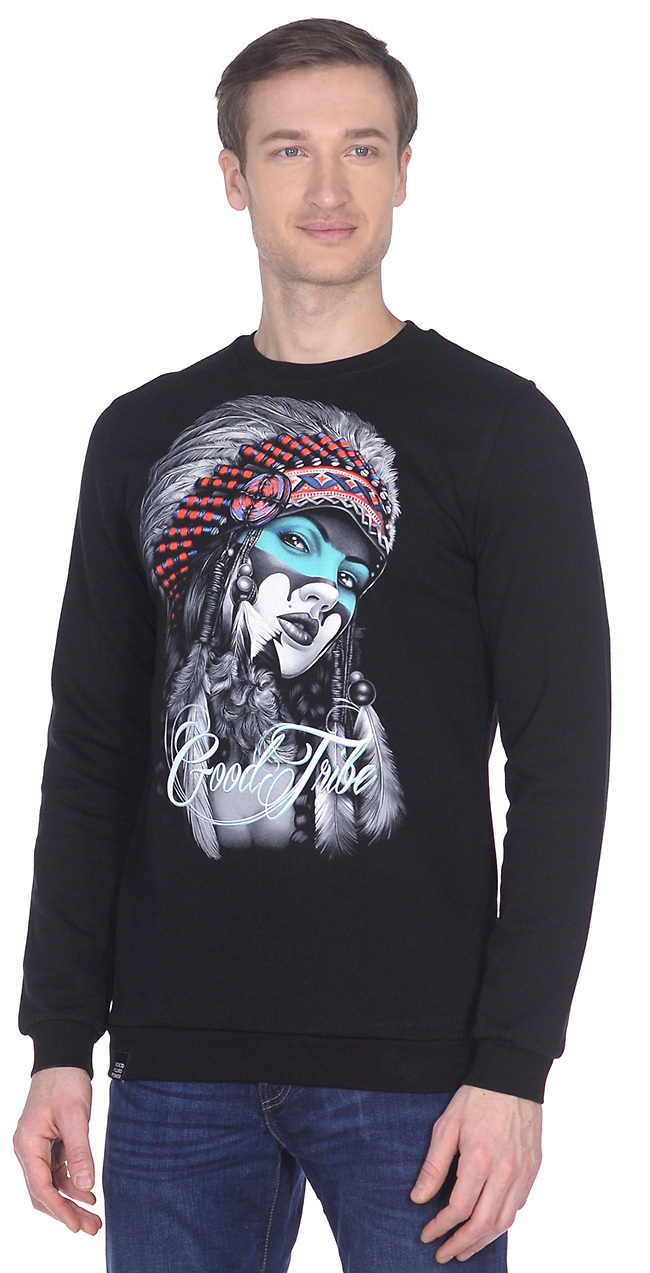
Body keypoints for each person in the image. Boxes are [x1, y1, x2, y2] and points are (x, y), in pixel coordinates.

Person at [12, 16, 611, 1272]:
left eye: (361, 148)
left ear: (404, 170)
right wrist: (58, 1041)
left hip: (423, 1083)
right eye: (288, 149)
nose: (328, 187)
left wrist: (514, 1065)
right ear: (233, 176)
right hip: (173, 1069)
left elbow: (562, 766)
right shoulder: (138, 437)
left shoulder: (500, 434)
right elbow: (94, 748)